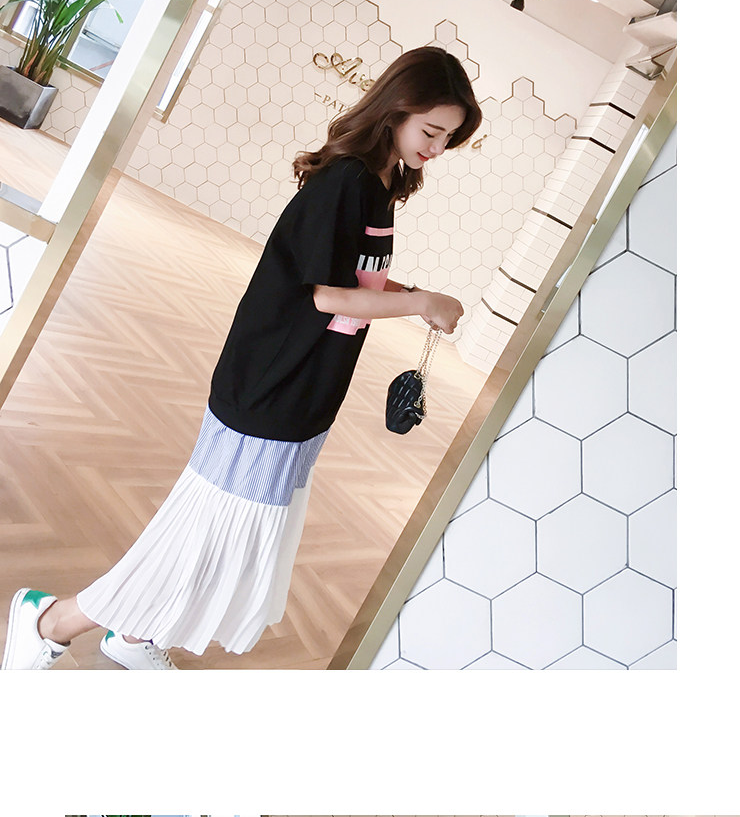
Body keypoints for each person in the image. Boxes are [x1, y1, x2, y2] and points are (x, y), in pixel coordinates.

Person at [2, 46, 482, 670]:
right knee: (207, 533)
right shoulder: (348, 181)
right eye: (432, 131)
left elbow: (353, 279)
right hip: (269, 383)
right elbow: (325, 295)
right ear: (396, 110)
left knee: (226, 537)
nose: (438, 149)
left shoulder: (382, 184)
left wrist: (410, 294)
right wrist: (419, 302)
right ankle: (49, 619)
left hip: (307, 390)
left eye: (448, 138)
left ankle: (137, 637)